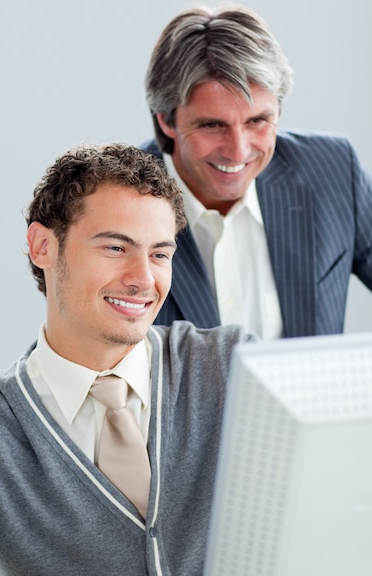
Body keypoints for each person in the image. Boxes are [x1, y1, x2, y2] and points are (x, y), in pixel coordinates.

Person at [0, 143, 255, 576]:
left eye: (160, 253)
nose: (143, 279)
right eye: (115, 247)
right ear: (43, 246)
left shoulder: (233, 367)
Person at [142, 3, 372, 339]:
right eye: (212, 125)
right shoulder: (115, 204)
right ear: (166, 118)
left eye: (258, 121)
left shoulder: (334, 171)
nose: (239, 150)